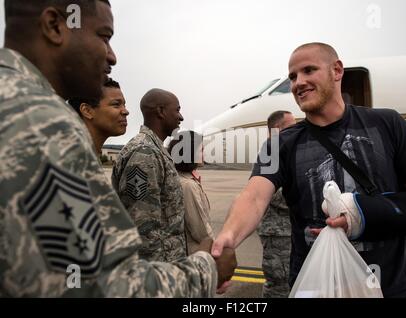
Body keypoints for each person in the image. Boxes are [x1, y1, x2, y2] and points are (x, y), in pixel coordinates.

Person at [0, 0, 236, 297]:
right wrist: (208, 269)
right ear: (55, 25)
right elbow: (98, 284)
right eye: (104, 37)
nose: (112, 56)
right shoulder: (38, 120)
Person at [212, 42, 406, 298]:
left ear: (337, 71)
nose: (298, 82)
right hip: (316, 288)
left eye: (309, 70)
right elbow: (254, 196)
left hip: (391, 288)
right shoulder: (278, 144)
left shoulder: (387, 124)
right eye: (293, 77)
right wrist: (229, 235)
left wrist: (363, 213)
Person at [112, 88, 187, 262]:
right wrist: (156, 280)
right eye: (177, 110)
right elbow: (143, 228)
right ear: (160, 111)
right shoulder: (144, 153)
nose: (181, 117)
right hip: (157, 270)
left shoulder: (155, 150)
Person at [257, 111, 296, 298]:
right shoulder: (271, 151)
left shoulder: (285, 149)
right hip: (278, 233)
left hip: (288, 230)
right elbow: (271, 194)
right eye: (292, 125)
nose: (297, 129)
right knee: (279, 284)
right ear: (277, 130)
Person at [168, 130, 215, 255]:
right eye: (201, 150)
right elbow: (200, 230)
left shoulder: (184, 179)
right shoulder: (188, 185)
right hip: (195, 253)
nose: (204, 154)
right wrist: (216, 248)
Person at [68, 78, 129, 155]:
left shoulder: (86, 155)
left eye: (124, 105)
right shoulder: (72, 158)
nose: (126, 111)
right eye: (116, 104)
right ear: (87, 111)